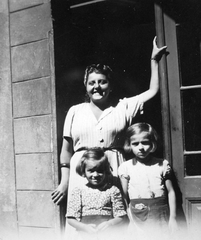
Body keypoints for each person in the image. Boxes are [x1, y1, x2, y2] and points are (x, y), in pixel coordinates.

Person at [51, 37, 167, 207]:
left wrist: (154, 60)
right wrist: (64, 182)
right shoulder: (75, 111)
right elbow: (66, 151)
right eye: (92, 83)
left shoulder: (123, 107)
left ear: (110, 86)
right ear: (86, 86)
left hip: (113, 170)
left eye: (102, 82)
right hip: (81, 173)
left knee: (115, 218)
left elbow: (153, 90)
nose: (97, 86)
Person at [118, 122, 178, 240]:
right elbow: (123, 196)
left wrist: (173, 218)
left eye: (145, 142)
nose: (141, 147)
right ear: (129, 145)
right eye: (135, 144)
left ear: (152, 144)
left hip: (160, 213)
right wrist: (129, 221)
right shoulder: (126, 167)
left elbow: (171, 191)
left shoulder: (162, 164)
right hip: (137, 216)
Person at [66, 147, 127, 240]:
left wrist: (109, 223)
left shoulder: (113, 190)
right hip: (85, 234)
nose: (95, 175)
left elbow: (121, 216)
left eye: (100, 171)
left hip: (108, 234)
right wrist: (84, 227)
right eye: (91, 171)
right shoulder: (79, 191)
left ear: (106, 171)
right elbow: (70, 219)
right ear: (83, 171)